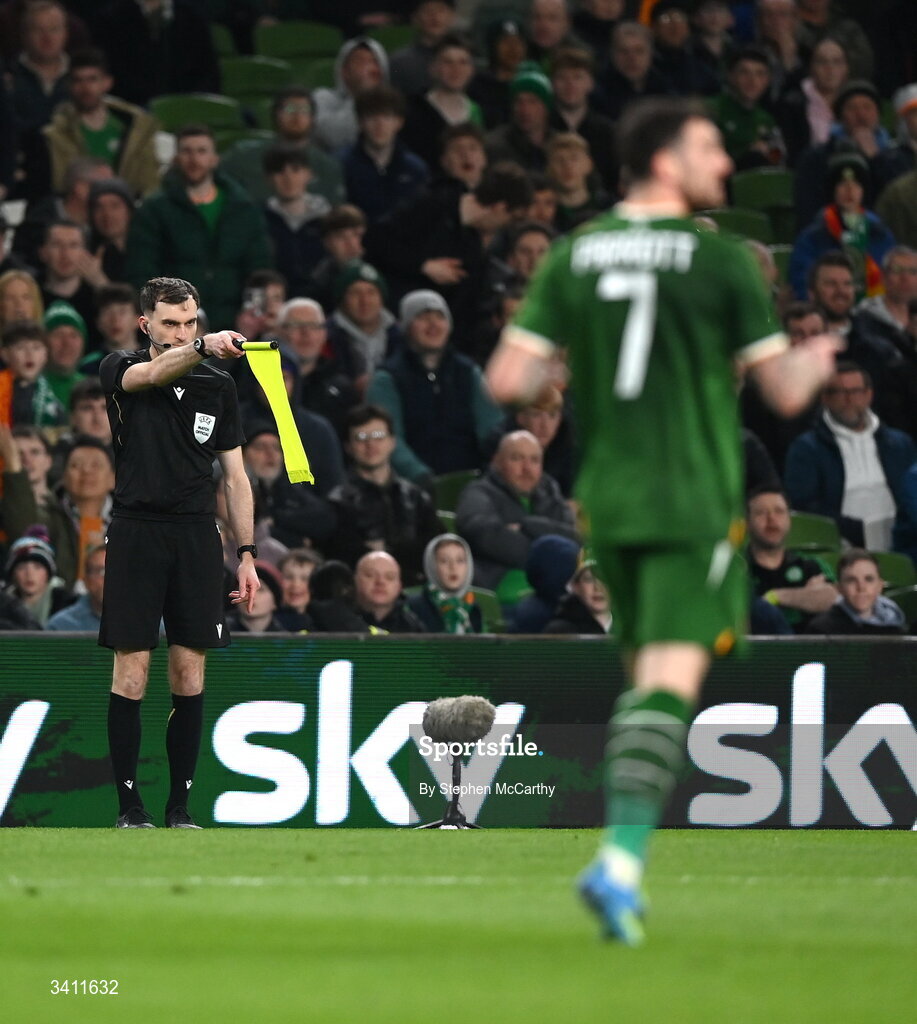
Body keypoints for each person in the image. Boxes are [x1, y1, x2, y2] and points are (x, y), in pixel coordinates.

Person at [484, 96, 837, 944]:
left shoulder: (575, 253)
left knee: (645, 676)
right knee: (670, 686)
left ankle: (621, 866)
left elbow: (505, 379)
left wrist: (578, 369)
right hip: (687, 499)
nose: (724, 165)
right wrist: (817, 356)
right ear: (665, 159)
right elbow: (783, 393)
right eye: (711, 148)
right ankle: (618, 862)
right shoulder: (716, 263)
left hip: (605, 500)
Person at [97, 275, 259, 830]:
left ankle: (179, 810)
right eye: (170, 323)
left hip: (196, 535)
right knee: (132, 672)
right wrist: (199, 348)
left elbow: (235, 477)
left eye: (191, 322)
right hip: (137, 530)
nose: (182, 331)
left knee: (190, 674)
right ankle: (129, 809)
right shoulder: (120, 368)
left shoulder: (219, 385)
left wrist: (247, 551)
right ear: (146, 324)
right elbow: (151, 373)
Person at [125, 125, 273, 331]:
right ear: (176, 158)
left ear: (215, 158)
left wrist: (252, 313)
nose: (194, 159)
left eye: (202, 151)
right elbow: (142, 269)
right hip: (176, 326)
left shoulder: (243, 208)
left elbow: (259, 266)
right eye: (186, 151)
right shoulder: (153, 210)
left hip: (235, 324)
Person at [366, 289, 504, 483]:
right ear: (406, 327)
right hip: (411, 488)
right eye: (423, 317)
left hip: (474, 484)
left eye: (440, 317)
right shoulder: (387, 379)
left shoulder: (469, 373)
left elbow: (492, 429)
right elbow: (390, 439)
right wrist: (422, 477)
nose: (433, 324)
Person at [784, 361, 917, 551]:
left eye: (855, 391)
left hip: (902, 542)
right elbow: (805, 507)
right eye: (839, 392)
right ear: (825, 398)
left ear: (868, 395)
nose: (848, 399)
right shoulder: (806, 449)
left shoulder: (900, 444)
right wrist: (856, 530)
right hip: (843, 545)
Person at [326, 404, 441, 583]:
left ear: (392, 442)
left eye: (378, 436)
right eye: (361, 438)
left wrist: (385, 550)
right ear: (348, 447)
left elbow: (435, 548)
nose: (371, 445)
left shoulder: (416, 497)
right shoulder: (338, 502)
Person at [455, 429, 578, 595]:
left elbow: (575, 538)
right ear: (497, 462)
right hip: (503, 589)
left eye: (534, 460)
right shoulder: (479, 492)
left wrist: (529, 525)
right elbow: (483, 533)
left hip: (556, 588)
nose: (527, 469)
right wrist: (549, 556)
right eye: (517, 458)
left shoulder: (549, 491)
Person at [41, 48, 160, 197]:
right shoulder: (57, 133)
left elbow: (150, 182)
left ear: (107, 82)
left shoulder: (136, 127)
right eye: (78, 80)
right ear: (69, 85)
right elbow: (60, 185)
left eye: (92, 79)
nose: (85, 88)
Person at [745, 485, 838, 632]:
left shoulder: (810, 565)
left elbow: (832, 599)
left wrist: (774, 597)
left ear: (789, 519)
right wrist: (804, 597)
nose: (772, 519)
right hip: (758, 653)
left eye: (779, 511)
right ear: (747, 522)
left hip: (811, 653)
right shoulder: (735, 569)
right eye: (761, 513)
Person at [342, 84, 429, 225]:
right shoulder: (342, 164)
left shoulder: (416, 168)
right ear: (360, 122)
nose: (379, 124)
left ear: (399, 122)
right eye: (372, 117)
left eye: (386, 117)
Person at [805, 548, 907, 635]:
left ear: (880, 586)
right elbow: (813, 659)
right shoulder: (821, 630)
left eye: (869, 579)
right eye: (851, 580)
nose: (861, 587)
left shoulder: (894, 624)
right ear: (839, 588)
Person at [407, 532, 483, 633]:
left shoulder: (477, 607)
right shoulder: (414, 606)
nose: (453, 567)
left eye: (460, 560)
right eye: (444, 561)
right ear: (433, 566)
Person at [0, 320, 67, 429]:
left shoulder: (51, 402)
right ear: (5, 354)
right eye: (20, 348)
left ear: (46, 355)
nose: (29, 354)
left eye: (36, 348)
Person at [353, 550, 427, 632]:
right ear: (355, 580)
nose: (380, 582)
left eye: (389, 577)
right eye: (370, 575)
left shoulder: (413, 627)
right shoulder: (339, 621)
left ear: (399, 586)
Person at [543, 552, 613, 635]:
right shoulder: (559, 632)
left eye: (604, 579)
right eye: (588, 579)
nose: (598, 588)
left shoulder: (629, 627)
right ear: (576, 587)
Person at [46, 542, 106, 630]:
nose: (108, 578)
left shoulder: (133, 623)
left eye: (116, 571)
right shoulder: (60, 626)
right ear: (86, 580)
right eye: (100, 571)